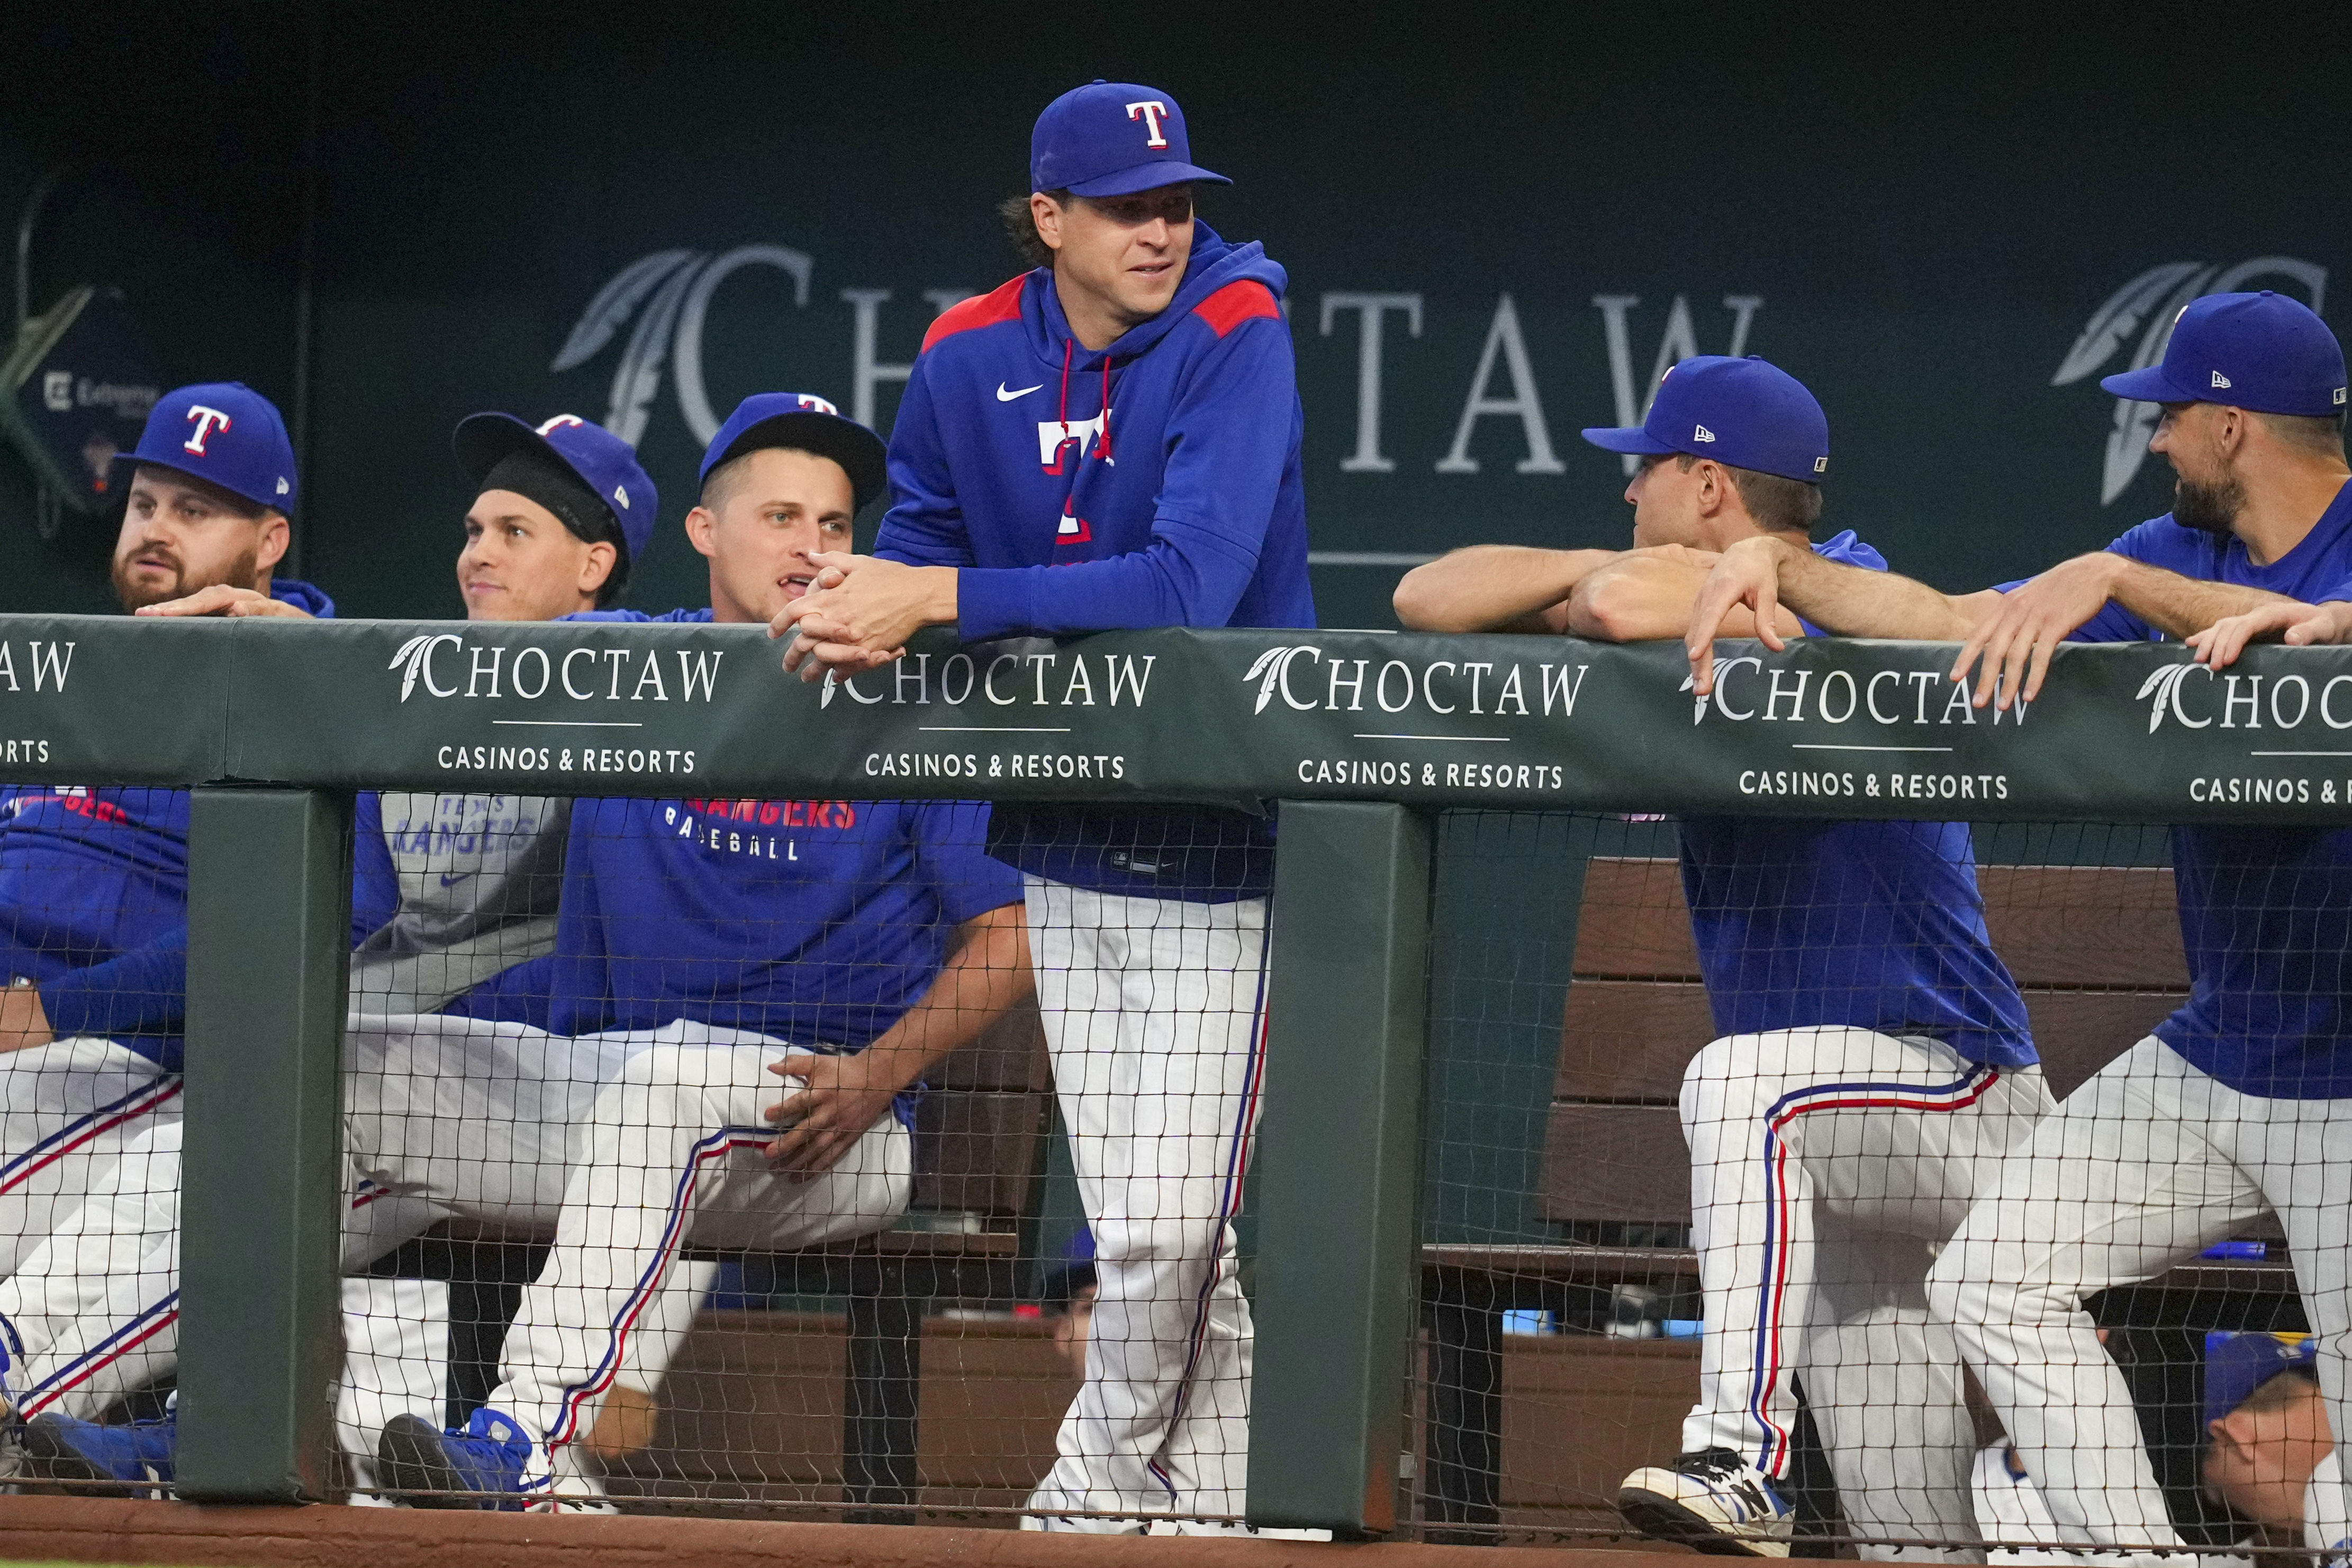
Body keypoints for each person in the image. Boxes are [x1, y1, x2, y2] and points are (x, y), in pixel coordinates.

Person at [1681, 291, 2352, 1559]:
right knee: (1991, 1280)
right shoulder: (2176, 549)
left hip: (2350, 1088)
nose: (2154, 442)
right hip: (2223, 1057)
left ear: (2228, 425)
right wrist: (1788, 569)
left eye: (2167, 419)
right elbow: (1949, 623)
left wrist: (2218, 604)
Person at [1396, 356, 2048, 1559]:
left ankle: (1739, 1457)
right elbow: (1426, 597)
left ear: (1704, 485)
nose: (1623, 496)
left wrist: (1653, 583)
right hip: (1837, 1162)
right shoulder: (1691, 590)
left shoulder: (1839, 590)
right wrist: (1647, 573)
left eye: (1639, 473)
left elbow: (1608, 611)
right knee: (1916, 1534)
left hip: (1961, 1097)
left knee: (1736, 1084)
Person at [775, 80, 1311, 1536]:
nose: (1162, 230)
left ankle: (1080, 1494)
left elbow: (1186, 589)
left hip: (1227, 837)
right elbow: (921, 538)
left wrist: (938, 598)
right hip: (1067, 836)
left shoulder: (1233, 329)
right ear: (1050, 218)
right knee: (1167, 1236)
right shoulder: (963, 351)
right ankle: (1227, 1510)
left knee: (1164, 1229)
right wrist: (863, 591)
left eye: (1178, 202)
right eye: (1129, 207)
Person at [366, 393, 1033, 1509]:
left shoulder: (909, 698)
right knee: (350, 1069)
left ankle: (526, 1438)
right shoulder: (628, 668)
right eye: (780, 515)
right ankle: (57, 1386)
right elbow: (469, 655)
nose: (814, 545)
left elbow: (1004, 935)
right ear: (703, 534)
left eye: (832, 523)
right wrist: (278, 636)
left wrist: (881, 1074)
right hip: (623, 1096)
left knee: (666, 1081)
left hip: (829, 1124)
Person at [4, 409, 662, 1490]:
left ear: (594, 566)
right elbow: (343, 910)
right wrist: (308, 669)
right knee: (251, 1121)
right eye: (472, 528)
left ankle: (103, 1400)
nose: (476, 554)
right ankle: (149, 1411)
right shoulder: (413, 690)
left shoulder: (630, 686)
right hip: (398, 1074)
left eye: (513, 531)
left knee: (289, 1103)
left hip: (544, 1088)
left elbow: (688, 646)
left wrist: (311, 656)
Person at [0, 382, 351, 1280]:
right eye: (146, 503)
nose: (156, 528)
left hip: (140, 1057)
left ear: (269, 540)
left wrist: (57, 1012)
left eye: (195, 510)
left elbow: (308, 922)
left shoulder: (319, 677)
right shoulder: (72, 670)